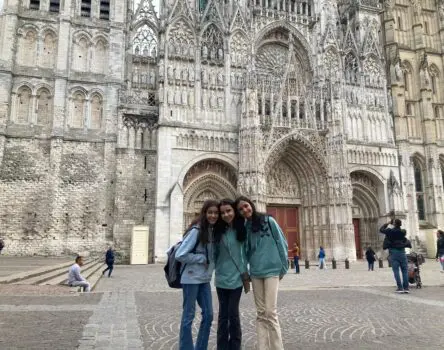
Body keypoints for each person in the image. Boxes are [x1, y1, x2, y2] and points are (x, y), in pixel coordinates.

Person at [235, 196, 288, 350]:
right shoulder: (245, 227)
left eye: (246, 206)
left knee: (271, 312)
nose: (245, 210)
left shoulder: (269, 221)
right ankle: (262, 347)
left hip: (272, 271)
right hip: (256, 273)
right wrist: (246, 271)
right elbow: (244, 251)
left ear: (251, 205)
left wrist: (283, 267)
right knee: (260, 312)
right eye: (241, 209)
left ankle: (278, 347)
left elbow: (282, 242)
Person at [175, 199, 218, 350]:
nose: (213, 215)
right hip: (191, 278)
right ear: (204, 213)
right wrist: (201, 258)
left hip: (204, 279)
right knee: (188, 316)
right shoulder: (197, 230)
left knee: (209, 315)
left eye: (215, 213)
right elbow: (180, 254)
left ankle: (201, 347)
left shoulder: (212, 231)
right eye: (210, 212)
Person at [214, 199, 248, 350]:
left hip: (237, 279)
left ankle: (235, 346)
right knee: (223, 316)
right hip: (221, 278)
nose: (226, 214)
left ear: (234, 211)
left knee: (233, 314)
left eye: (229, 211)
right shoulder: (218, 231)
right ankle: (222, 346)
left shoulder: (242, 229)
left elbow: (248, 251)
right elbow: (213, 254)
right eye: (223, 213)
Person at [380, 219, 411, 293]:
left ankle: (400, 288)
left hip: (393, 252)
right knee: (404, 271)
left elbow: (381, 229)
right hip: (402, 252)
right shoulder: (403, 232)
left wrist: (387, 223)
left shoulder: (390, 231)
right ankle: (406, 288)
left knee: (396, 271)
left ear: (394, 224)